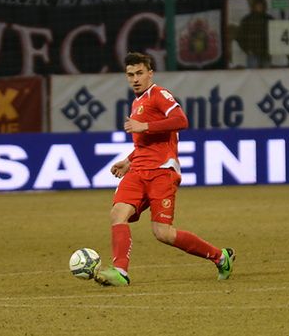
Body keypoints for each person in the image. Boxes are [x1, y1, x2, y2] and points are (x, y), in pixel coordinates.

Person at [94, 52, 235, 286]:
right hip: (138, 170)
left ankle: (220, 257)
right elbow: (145, 143)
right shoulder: (137, 102)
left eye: (140, 73)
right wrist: (128, 161)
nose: (135, 79)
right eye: (131, 74)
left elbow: (182, 120)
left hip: (162, 171)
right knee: (118, 214)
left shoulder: (160, 94)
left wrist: (145, 125)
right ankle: (121, 271)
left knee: (163, 233)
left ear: (150, 73)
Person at [236, 0, 273, 68]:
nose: (259, 6)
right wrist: (247, 50)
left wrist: (272, 50)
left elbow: (275, 36)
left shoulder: (269, 19)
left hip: (266, 54)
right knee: (253, 77)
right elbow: (240, 37)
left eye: (261, 5)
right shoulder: (247, 20)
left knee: (267, 77)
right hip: (252, 54)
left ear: (264, 6)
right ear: (254, 6)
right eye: (257, 5)